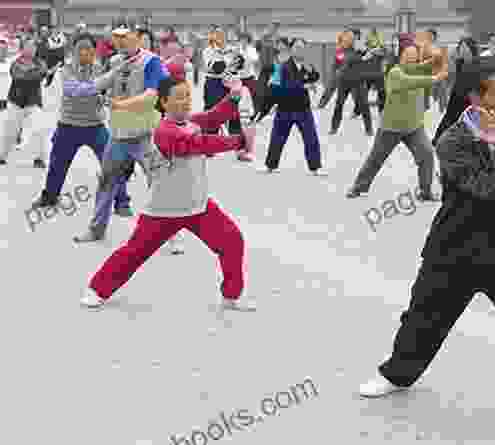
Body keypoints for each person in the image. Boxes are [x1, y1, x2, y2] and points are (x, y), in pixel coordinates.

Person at [358, 56, 495, 440]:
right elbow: (484, 188)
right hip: (453, 251)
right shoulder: (453, 140)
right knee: (422, 321)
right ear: (476, 97)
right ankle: (396, 374)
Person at [79, 62, 257, 311]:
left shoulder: (192, 121)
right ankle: (97, 289)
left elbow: (215, 117)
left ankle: (231, 295)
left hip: (198, 206)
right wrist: (239, 141)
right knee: (134, 253)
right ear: (163, 103)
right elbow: (201, 144)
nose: (185, 102)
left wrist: (235, 96)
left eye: (187, 96)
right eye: (178, 98)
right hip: (164, 211)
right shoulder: (164, 131)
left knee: (232, 241)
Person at [73, 19, 173, 242]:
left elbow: (151, 95)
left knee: (159, 181)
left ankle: (171, 234)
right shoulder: (116, 60)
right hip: (118, 136)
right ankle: (97, 229)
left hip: (144, 135)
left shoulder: (152, 62)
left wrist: (122, 104)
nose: (120, 41)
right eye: (117, 38)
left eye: (125, 37)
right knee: (106, 182)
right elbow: (102, 86)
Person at [30, 33, 130, 210]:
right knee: (57, 165)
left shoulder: (99, 68)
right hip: (68, 125)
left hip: (95, 126)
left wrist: (105, 97)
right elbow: (74, 90)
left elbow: (105, 92)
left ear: (94, 50)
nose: (84, 52)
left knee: (112, 163)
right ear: (73, 51)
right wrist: (107, 80)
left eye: (88, 48)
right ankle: (50, 197)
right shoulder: (66, 68)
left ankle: (121, 201)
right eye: (80, 48)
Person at [345, 42, 445, 200]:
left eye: (415, 57)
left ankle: (425, 192)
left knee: (426, 154)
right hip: (391, 127)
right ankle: (358, 187)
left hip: (413, 126)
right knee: (376, 159)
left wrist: (435, 60)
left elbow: (425, 66)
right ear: (402, 57)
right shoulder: (395, 73)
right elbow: (413, 81)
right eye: (409, 56)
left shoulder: (416, 69)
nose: (412, 60)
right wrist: (434, 78)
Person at [261, 37, 324, 175]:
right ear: (291, 49)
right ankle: (270, 166)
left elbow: (316, 77)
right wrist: (305, 85)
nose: (299, 50)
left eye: (302, 47)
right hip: (285, 108)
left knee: (311, 138)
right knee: (277, 138)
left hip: (303, 109)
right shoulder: (284, 66)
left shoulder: (307, 64)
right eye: (296, 47)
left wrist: (311, 73)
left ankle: (315, 167)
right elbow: (287, 86)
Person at [0, 36, 49, 167]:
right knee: (9, 132)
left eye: (33, 47)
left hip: (33, 103)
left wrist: (32, 75)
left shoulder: (40, 63)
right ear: (23, 48)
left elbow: (41, 73)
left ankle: (39, 158)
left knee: (39, 129)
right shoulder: (16, 63)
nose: (31, 49)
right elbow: (18, 76)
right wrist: (33, 75)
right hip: (15, 102)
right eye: (28, 46)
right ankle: (2, 156)